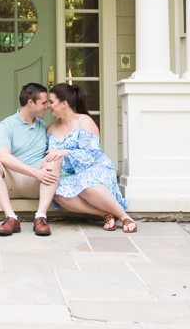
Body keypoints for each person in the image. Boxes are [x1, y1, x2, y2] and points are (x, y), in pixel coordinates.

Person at [46, 83, 137, 233]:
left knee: (87, 187)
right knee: (58, 194)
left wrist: (65, 152)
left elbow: (91, 155)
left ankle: (123, 216)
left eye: (51, 101)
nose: (48, 105)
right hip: (70, 175)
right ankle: (105, 214)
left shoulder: (84, 121)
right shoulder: (51, 128)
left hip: (95, 167)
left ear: (64, 103)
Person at [0, 82, 62, 236]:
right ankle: (11, 218)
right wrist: (35, 172)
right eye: (44, 103)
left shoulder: (44, 126)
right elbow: (3, 156)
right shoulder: (6, 125)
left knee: (55, 158)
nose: (47, 107)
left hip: (37, 184)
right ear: (30, 102)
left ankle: (40, 217)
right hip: (11, 183)